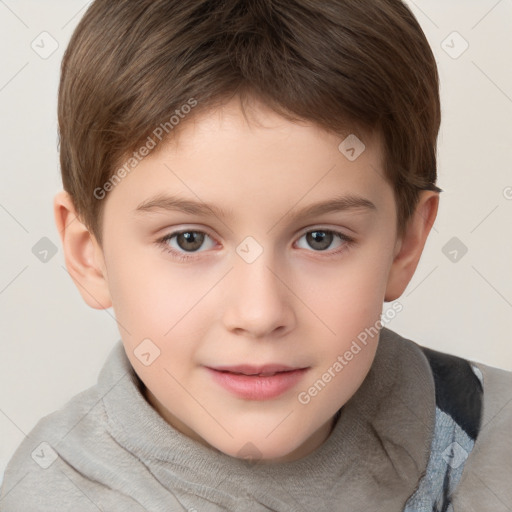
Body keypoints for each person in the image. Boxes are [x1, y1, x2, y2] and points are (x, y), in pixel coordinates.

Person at [1, 1, 511, 510]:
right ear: (90, 256)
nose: (260, 313)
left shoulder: (495, 435)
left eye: (320, 238)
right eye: (189, 240)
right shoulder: (50, 494)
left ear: (405, 244)